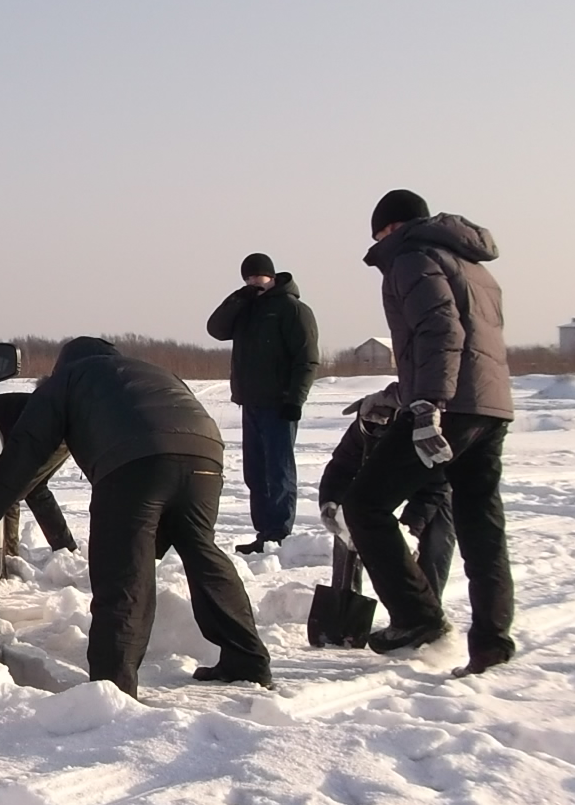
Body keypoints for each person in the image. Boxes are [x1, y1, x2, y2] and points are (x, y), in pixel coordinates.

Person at [0, 337, 272, 697]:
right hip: (205, 455)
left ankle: (113, 687)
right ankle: (247, 659)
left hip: (135, 461)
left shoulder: (67, 379)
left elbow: (26, 453)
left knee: (123, 572)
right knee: (202, 553)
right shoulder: (150, 370)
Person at [342, 189, 514, 677]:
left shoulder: (412, 257)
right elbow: (468, 345)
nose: (378, 244)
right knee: (481, 524)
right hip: (488, 407)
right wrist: (398, 393)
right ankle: (492, 642)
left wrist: (427, 404)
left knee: (365, 504)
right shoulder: (472, 265)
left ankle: (418, 619)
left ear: (393, 228)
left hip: (449, 408)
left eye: (380, 234)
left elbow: (440, 332)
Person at [206, 252, 319, 554]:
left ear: (272, 276)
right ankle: (263, 534)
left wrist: (296, 399)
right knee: (255, 473)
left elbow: (307, 359)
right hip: (251, 403)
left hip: (279, 404)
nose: (253, 282)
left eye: (258, 276)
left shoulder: (292, 309)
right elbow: (216, 329)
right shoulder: (246, 309)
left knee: (278, 472)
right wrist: (237, 299)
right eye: (248, 278)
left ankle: (279, 534)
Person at [317, 384, 454, 597]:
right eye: (371, 426)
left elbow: (434, 489)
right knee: (346, 517)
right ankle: (344, 594)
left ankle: (425, 602)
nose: (376, 427)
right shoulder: (364, 427)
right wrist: (330, 502)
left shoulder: (421, 429)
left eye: (382, 425)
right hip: (385, 478)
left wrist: (410, 532)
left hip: (429, 480)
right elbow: (341, 467)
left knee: (437, 525)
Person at [0, 391, 78, 560]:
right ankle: (66, 550)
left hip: (51, 432)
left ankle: (8, 557)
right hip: (63, 433)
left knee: (9, 492)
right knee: (36, 490)